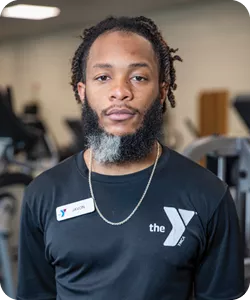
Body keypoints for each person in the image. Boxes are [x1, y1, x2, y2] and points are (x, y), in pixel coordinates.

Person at [16, 16, 246, 300]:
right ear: (82, 92)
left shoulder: (208, 195)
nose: (120, 92)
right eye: (103, 77)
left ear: (162, 92)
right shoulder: (43, 193)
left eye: (138, 77)